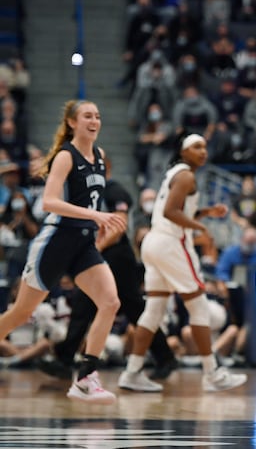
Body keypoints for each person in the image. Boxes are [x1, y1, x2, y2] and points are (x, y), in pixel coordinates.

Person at [0, 100, 127, 403]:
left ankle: (85, 379)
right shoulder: (64, 156)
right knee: (21, 313)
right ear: (72, 122)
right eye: (87, 116)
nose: (94, 120)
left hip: (83, 243)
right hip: (56, 241)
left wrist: (100, 222)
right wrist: (95, 216)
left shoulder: (99, 156)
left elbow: (90, 199)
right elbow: (49, 202)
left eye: (97, 115)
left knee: (110, 302)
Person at [118, 133, 246, 393]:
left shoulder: (174, 174)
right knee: (199, 307)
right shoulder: (186, 175)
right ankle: (212, 373)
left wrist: (205, 213)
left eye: (205, 147)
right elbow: (171, 212)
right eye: (196, 147)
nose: (203, 151)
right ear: (183, 151)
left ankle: (132, 371)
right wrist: (199, 226)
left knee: (153, 311)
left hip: (153, 243)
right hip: (170, 244)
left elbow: (175, 210)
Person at [38, 155, 178, 382]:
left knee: (133, 308)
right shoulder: (89, 192)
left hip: (116, 256)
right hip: (99, 255)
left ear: (106, 166)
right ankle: (64, 359)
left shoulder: (114, 191)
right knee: (85, 305)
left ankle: (165, 357)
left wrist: (93, 249)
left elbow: (118, 227)